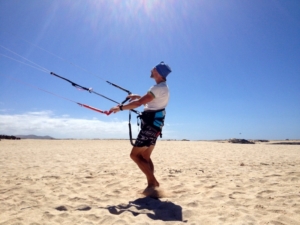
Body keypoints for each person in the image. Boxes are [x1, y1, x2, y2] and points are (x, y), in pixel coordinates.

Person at [109, 61, 172, 195]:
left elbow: (138, 104)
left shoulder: (157, 88)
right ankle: (151, 187)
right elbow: (149, 101)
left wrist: (119, 108)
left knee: (134, 155)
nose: (151, 70)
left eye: (154, 69)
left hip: (150, 125)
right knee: (145, 156)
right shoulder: (163, 87)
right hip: (156, 125)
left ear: (158, 73)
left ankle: (154, 182)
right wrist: (137, 96)